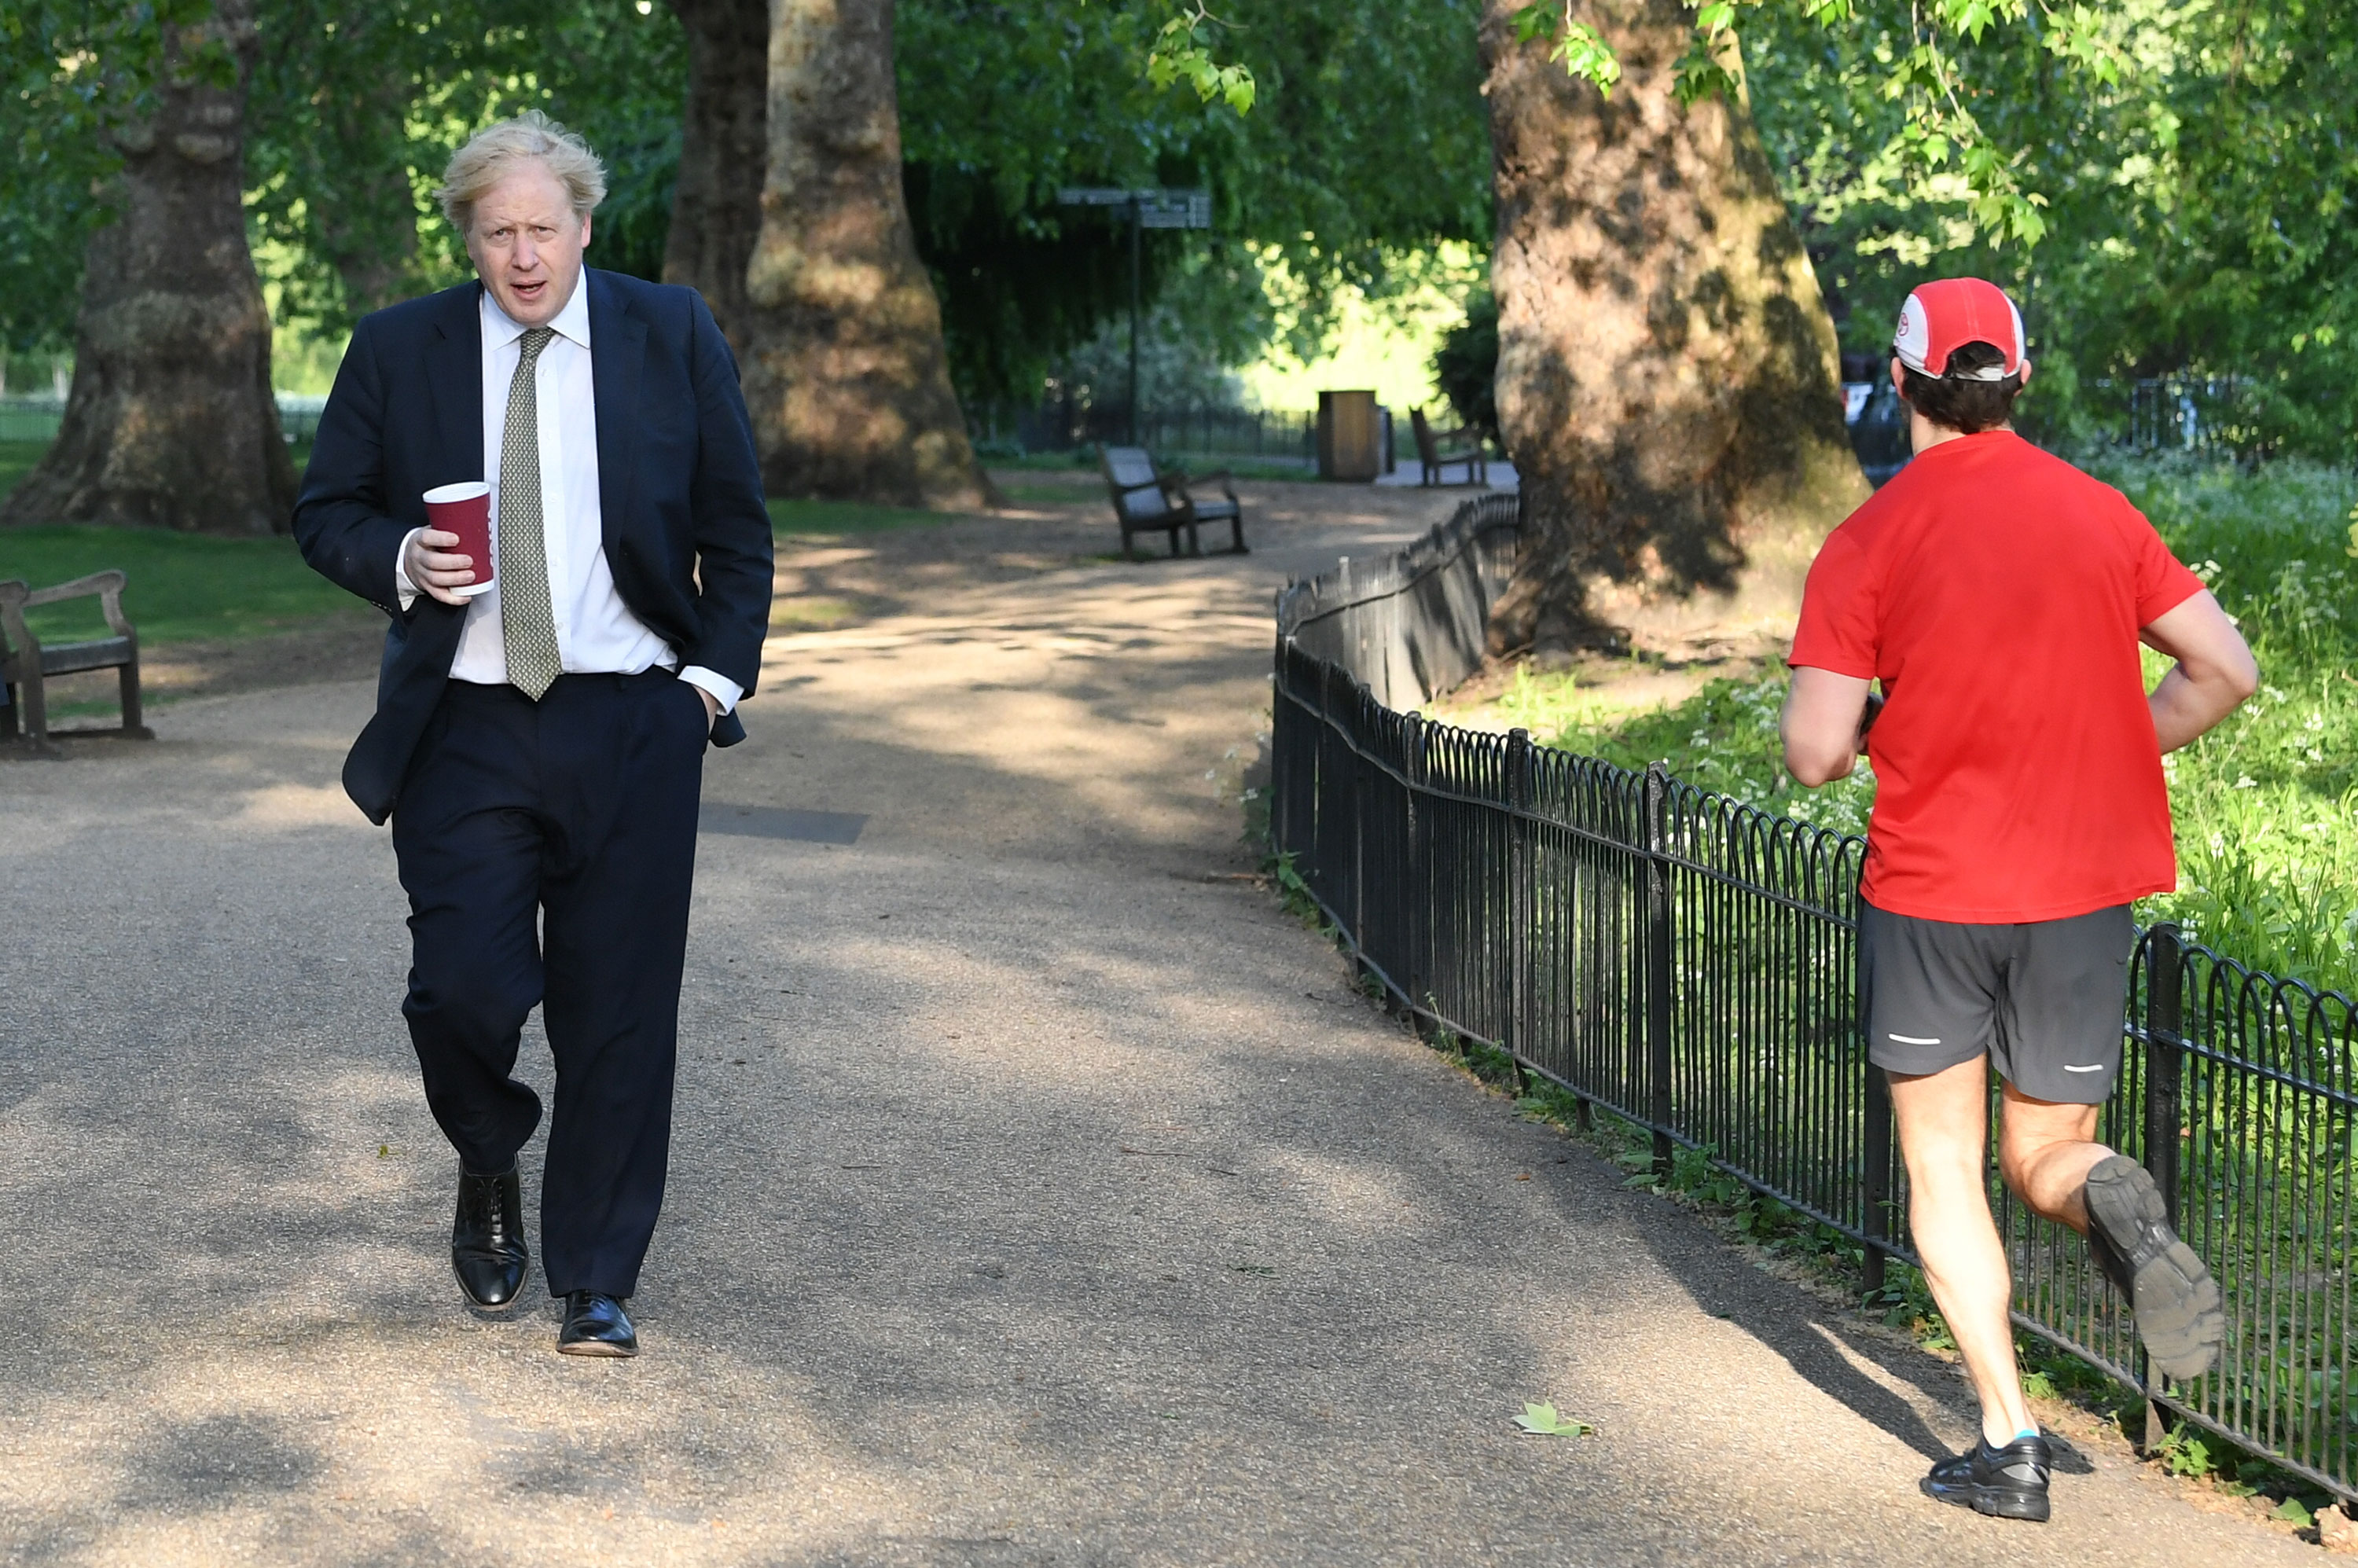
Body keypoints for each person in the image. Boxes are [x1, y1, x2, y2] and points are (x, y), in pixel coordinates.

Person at [293, 112, 773, 1357]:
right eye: (498, 232)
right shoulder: (401, 348)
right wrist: (398, 553)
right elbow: (324, 508)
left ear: (585, 223)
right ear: (470, 237)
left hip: (632, 719)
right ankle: (489, 1151)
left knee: (618, 1008)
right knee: (463, 989)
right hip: (465, 721)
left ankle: (596, 1278)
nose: (522, 255)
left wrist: (709, 689)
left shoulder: (670, 333)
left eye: (542, 228)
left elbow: (738, 526)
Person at [1781, 277, 2254, 1522]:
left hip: (1935, 896)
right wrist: (2112, 747)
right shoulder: (2102, 516)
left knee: (1945, 1174)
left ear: (1901, 384)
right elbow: (2226, 670)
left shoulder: (1869, 540)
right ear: (2020, 384)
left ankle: (2008, 1444)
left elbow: (1815, 749)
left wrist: (1884, 719)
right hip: (2079, 892)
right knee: (2044, 1151)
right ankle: (2106, 1188)